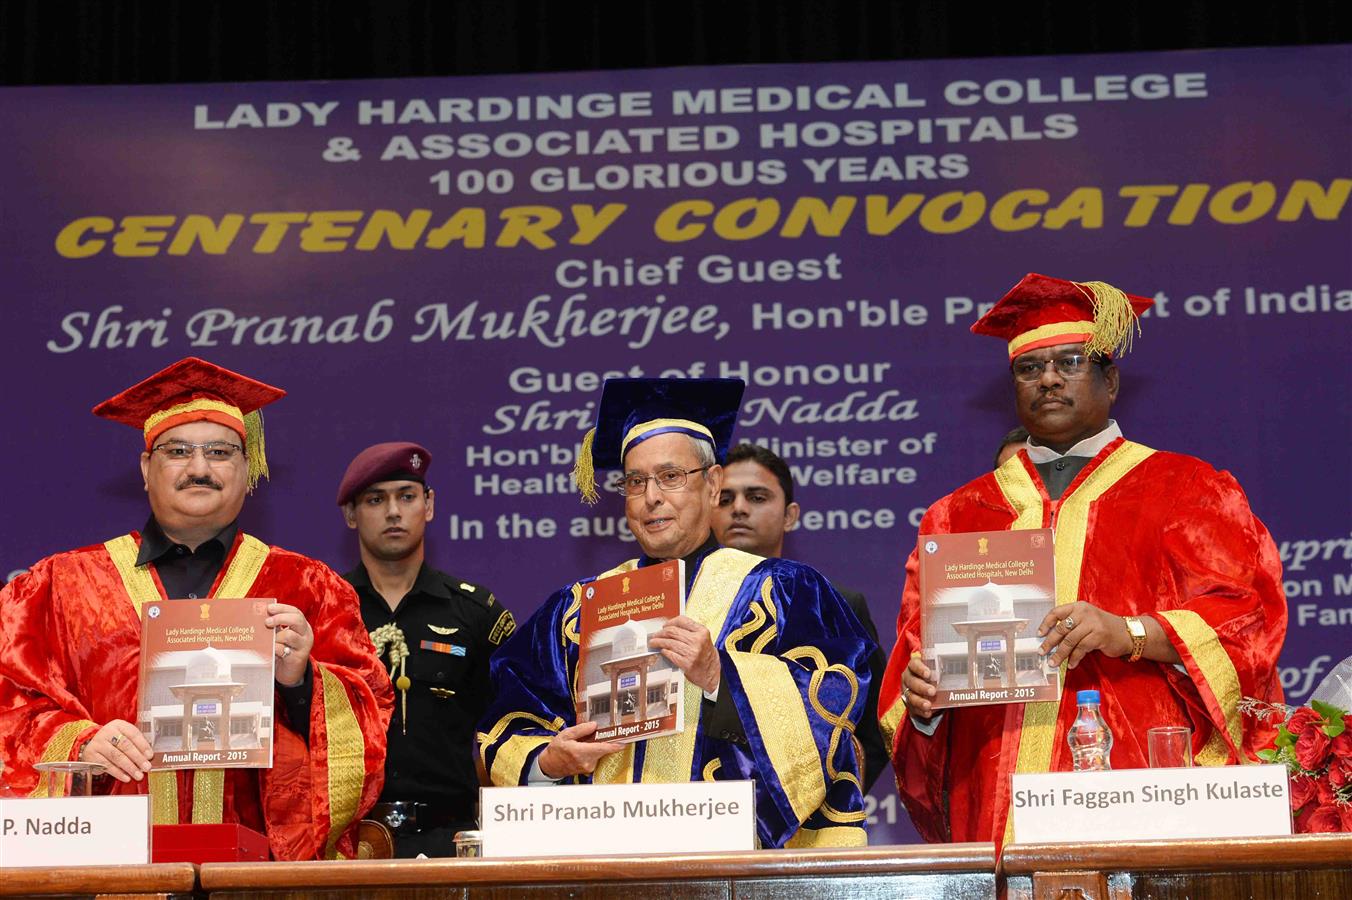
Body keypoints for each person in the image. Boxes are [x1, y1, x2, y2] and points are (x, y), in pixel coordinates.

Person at [878, 273, 1287, 844]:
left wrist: (1130, 632)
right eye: (1029, 368)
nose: (1048, 378)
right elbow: (913, 661)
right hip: (999, 790)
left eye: (1070, 362)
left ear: (1110, 380)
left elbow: (1245, 619)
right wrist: (921, 701)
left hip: (1140, 784)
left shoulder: (1187, 486)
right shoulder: (958, 514)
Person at [0, 358, 392, 861]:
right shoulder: (59, 586)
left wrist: (303, 684)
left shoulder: (310, 588)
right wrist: (77, 744)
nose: (200, 468)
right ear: (146, 468)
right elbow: (11, 701)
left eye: (221, 452)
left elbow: (372, 717)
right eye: (178, 451)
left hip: (254, 876)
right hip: (110, 868)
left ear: (247, 468)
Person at [477, 378, 876, 849]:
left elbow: (835, 706)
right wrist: (549, 762)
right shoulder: (576, 609)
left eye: (670, 477)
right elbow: (505, 727)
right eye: (635, 481)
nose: (651, 497)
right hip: (602, 859)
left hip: (735, 867)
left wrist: (721, 676)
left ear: (712, 485)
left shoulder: (785, 590)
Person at [337, 441, 514, 857]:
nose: (394, 512)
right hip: (347, 840)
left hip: (448, 839)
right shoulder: (327, 608)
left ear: (429, 505)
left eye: (407, 496)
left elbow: (515, 727)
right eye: (376, 499)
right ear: (351, 514)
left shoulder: (475, 613)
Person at [711, 441, 889, 792]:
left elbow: (874, 729)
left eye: (757, 497)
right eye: (725, 498)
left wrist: (822, 802)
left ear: (790, 515)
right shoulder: (687, 607)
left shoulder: (835, 605)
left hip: (808, 819)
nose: (740, 509)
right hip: (703, 808)